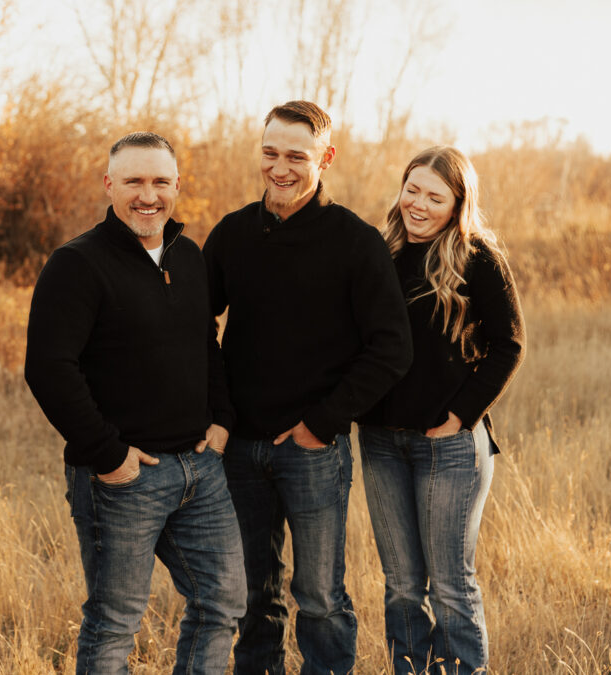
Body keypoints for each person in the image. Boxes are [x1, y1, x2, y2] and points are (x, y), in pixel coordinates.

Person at [203, 100, 413, 675]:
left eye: (296, 155)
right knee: (251, 596)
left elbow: (391, 348)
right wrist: (219, 413)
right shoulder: (233, 233)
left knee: (319, 598)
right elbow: (194, 323)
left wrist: (323, 423)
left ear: (326, 156)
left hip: (313, 452)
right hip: (240, 449)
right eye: (270, 153)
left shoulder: (355, 242)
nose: (280, 168)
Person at [25, 131, 247, 675]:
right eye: (134, 182)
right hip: (124, 478)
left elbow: (206, 341)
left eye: (160, 182)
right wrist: (108, 454)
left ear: (176, 186)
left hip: (200, 468)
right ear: (109, 185)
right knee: (114, 624)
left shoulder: (188, 255)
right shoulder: (76, 264)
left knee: (222, 603)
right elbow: (49, 370)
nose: (148, 195)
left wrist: (222, 420)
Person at [357, 146, 525, 675]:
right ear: (400, 189)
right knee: (403, 583)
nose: (420, 204)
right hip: (381, 442)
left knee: (450, 581)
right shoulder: (378, 254)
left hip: (449, 445)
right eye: (413, 190)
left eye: (435, 196)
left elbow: (509, 344)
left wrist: (461, 416)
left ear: (457, 203)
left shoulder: (476, 257)